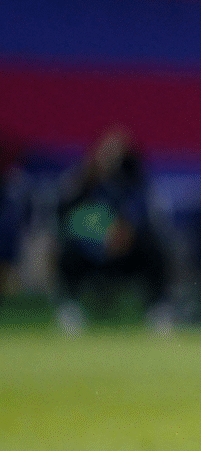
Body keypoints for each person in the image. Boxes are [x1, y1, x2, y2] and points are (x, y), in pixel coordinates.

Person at [54, 126, 171, 333]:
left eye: (118, 152)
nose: (112, 159)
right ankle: (69, 309)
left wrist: (125, 233)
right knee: (66, 252)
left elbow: (144, 216)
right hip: (90, 251)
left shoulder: (135, 182)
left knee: (154, 250)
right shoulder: (80, 182)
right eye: (107, 151)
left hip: (127, 253)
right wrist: (100, 235)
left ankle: (158, 309)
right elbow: (67, 217)